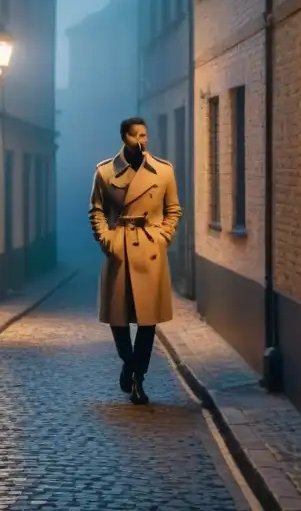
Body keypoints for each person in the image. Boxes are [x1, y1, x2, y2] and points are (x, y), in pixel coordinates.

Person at [88, 116, 182, 405]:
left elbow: (173, 210)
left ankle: (138, 377)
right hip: (119, 249)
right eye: (137, 135)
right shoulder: (105, 172)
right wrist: (108, 241)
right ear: (124, 138)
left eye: (145, 135)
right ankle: (128, 362)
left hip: (149, 250)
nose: (143, 140)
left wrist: (162, 237)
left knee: (147, 320)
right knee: (118, 318)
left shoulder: (163, 171)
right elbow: (96, 211)